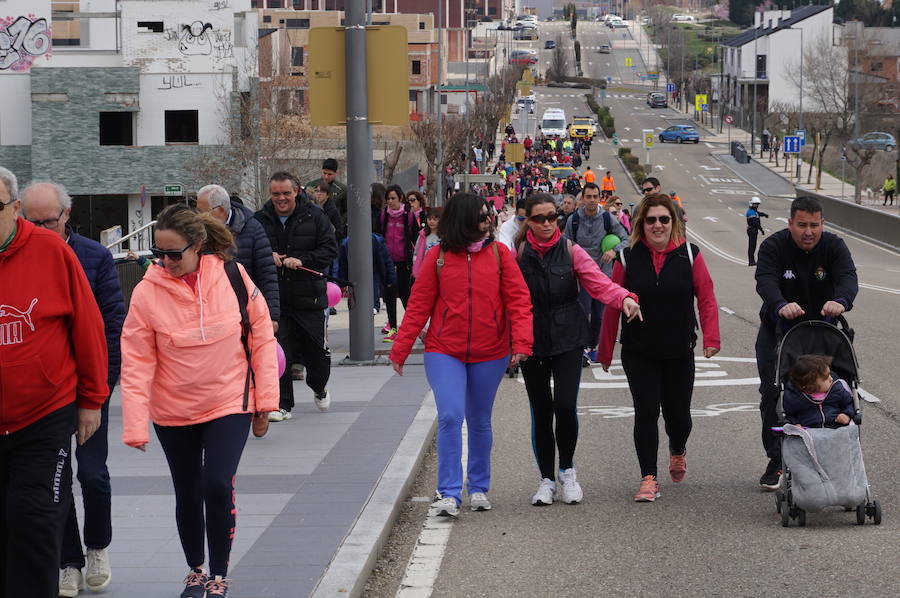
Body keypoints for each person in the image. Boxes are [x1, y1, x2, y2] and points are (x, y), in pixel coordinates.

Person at [120, 204, 279, 598]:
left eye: (175, 253)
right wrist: (134, 423)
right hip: (173, 408)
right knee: (188, 489)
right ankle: (196, 570)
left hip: (229, 399)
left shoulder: (232, 276)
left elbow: (261, 337)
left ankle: (219, 574)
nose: (167, 261)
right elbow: (137, 360)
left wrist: (265, 402)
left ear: (199, 245)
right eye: (159, 253)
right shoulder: (145, 292)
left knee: (217, 483)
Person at [389, 193, 533, 517]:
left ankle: (479, 487)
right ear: (463, 220)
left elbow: (519, 301)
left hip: (491, 351)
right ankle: (449, 492)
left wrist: (521, 344)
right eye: (482, 216)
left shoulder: (500, 255)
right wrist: (401, 348)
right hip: (444, 351)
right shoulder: (437, 257)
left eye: (489, 216)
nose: (488, 221)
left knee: (479, 420)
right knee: (451, 415)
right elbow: (418, 306)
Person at [0, 168, 107, 598]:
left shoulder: (49, 251)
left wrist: (92, 400)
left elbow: (89, 327)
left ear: (14, 208)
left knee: (34, 520)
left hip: (42, 417)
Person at [19, 182, 124, 597]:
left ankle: (97, 546)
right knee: (54, 481)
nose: (42, 227)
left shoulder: (93, 257)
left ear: (67, 214)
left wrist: (99, 392)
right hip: (47, 394)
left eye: (49, 220)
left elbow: (111, 326)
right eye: (33, 220)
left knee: (93, 474)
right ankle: (69, 561)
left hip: (90, 384)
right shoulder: (19, 256)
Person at [515, 194, 641, 506]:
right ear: (527, 221)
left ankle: (567, 471)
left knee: (565, 405)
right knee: (541, 411)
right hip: (532, 338)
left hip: (569, 335)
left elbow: (599, 283)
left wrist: (624, 297)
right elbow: (503, 297)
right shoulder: (517, 254)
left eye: (551, 217)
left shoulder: (571, 251)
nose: (546, 224)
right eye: (538, 218)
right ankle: (546, 480)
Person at [598, 193, 720, 502]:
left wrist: (711, 339)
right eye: (651, 219)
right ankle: (648, 478)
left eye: (664, 219)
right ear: (641, 223)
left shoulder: (690, 255)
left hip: (679, 350)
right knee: (646, 412)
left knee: (679, 418)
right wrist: (605, 350)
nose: (657, 225)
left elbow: (705, 297)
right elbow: (613, 304)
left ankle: (677, 449)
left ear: (673, 223)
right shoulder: (627, 258)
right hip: (639, 351)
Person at [754, 196, 858, 490]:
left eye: (814, 225)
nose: (808, 231)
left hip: (824, 332)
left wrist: (841, 301)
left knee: (838, 392)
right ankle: (777, 460)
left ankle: (838, 456)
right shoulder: (774, 246)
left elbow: (848, 279)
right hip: (781, 331)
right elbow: (765, 280)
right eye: (802, 225)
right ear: (790, 224)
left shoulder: (834, 246)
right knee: (773, 394)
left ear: (822, 224)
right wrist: (780, 304)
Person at [255, 172, 338, 419]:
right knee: (280, 351)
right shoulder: (260, 219)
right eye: (276, 194)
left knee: (317, 354)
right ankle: (282, 404)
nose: (281, 198)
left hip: (309, 297)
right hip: (276, 299)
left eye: (286, 193)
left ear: (297, 191)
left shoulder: (315, 216)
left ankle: (319, 387)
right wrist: (267, 256)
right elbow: (249, 251)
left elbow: (330, 249)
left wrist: (303, 260)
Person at [196, 184, 281, 327]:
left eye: (203, 212)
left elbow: (267, 274)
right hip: (213, 315)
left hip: (246, 311)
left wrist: (272, 316)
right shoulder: (198, 234)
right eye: (197, 211)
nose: (199, 217)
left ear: (220, 210)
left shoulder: (253, 229)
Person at [564, 182, 629, 362]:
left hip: (602, 275)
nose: (592, 200)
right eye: (588, 197)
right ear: (583, 198)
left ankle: (593, 345)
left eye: (595, 197)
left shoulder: (608, 218)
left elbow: (626, 239)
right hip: (581, 276)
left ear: (599, 198)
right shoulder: (573, 220)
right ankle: (583, 347)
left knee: (599, 314)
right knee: (583, 311)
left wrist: (614, 250)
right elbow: (565, 243)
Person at [379, 184, 417, 341]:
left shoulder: (408, 215)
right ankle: (393, 329)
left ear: (400, 198)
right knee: (389, 295)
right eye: (388, 198)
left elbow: (416, 237)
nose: (390, 201)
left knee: (405, 295)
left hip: (404, 262)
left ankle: (411, 328)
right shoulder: (384, 216)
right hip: (388, 262)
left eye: (393, 198)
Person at [783, 355, 854, 428]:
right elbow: (789, 414)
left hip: (835, 428)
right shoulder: (794, 397)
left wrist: (846, 414)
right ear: (811, 385)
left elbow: (849, 403)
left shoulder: (836, 388)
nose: (831, 378)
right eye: (825, 378)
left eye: (829, 374)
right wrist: (795, 423)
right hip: (809, 432)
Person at [306, 158, 348, 231]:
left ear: (335, 173)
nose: (326, 177)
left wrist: (339, 223)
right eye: (324, 173)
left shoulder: (342, 189)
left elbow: (347, 211)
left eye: (329, 174)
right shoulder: (311, 186)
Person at [412, 207, 442, 279]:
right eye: (429, 219)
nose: (431, 221)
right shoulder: (423, 235)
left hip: (438, 267)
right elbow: (416, 252)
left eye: (435, 219)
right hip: (424, 267)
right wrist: (416, 264)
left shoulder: (443, 236)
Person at [745, 196, 769, 266]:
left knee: (753, 245)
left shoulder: (753, 211)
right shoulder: (751, 212)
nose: (757, 206)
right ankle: (751, 261)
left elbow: (758, 213)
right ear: (751, 204)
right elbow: (755, 223)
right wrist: (761, 230)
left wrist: (764, 214)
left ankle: (752, 261)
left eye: (757, 204)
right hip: (752, 230)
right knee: (752, 246)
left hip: (753, 230)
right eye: (755, 204)